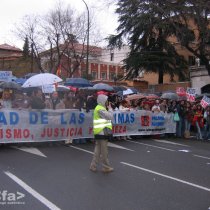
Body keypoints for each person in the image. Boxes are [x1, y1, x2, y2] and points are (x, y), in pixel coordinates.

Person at [90, 94, 114, 173]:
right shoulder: (101, 109)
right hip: (102, 132)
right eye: (106, 100)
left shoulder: (99, 108)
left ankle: (93, 166)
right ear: (103, 101)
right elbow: (110, 117)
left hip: (98, 132)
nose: (107, 102)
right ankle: (106, 167)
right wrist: (110, 109)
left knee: (97, 150)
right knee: (104, 151)